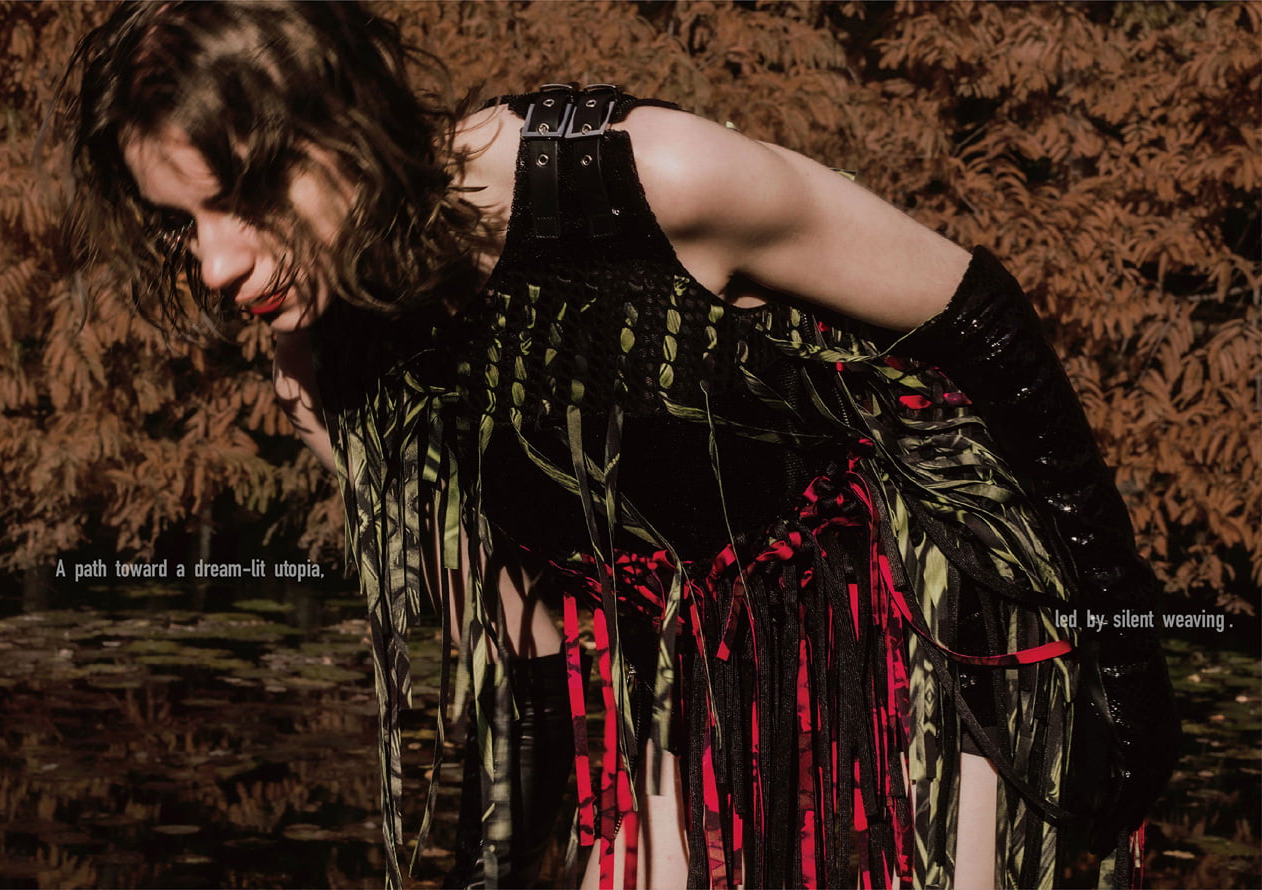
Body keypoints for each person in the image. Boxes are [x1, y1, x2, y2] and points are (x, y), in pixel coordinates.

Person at [63, 2, 1180, 888]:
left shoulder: (647, 178)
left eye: (244, 196)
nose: (215, 264)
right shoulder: (323, 372)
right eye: (180, 220)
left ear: (345, 117)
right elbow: (526, 657)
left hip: (919, 622)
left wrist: (1127, 662)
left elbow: (985, 328)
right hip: (678, 664)